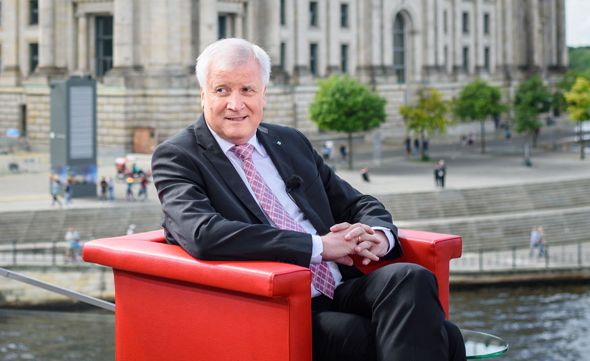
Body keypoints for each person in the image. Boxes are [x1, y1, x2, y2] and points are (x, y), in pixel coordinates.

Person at [151, 38, 464, 361]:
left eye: (247, 90)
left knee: (412, 278)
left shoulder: (291, 141)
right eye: (222, 90)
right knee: (442, 338)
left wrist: (379, 236)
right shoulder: (178, 155)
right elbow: (202, 233)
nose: (235, 104)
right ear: (203, 94)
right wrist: (318, 246)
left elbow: (356, 203)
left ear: (263, 95)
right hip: (276, 303)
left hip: (341, 285)